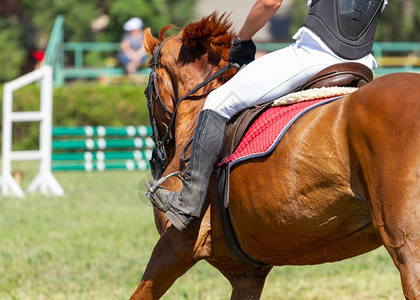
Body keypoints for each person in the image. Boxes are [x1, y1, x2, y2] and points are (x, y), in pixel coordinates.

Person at [148, 0, 388, 231]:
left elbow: (269, 3)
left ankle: (187, 202)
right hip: (363, 62)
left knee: (217, 101)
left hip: (315, 55)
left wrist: (241, 39)